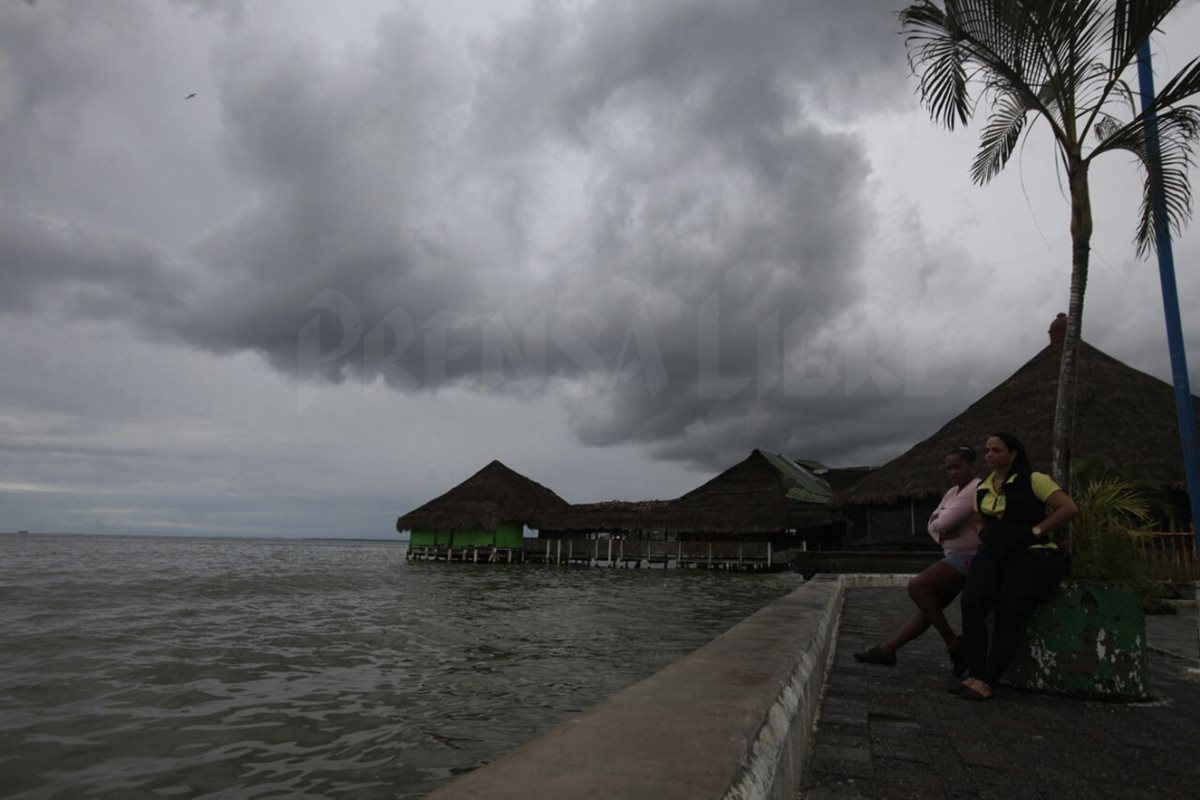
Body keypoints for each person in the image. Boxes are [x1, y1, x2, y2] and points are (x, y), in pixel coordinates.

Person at [955, 432, 1078, 701]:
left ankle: (988, 680)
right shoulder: (984, 487)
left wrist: (1037, 530)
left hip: (1030, 554)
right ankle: (974, 672)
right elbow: (979, 518)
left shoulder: (1034, 480)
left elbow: (1067, 508)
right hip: (995, 551)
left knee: (1009, 613)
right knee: (972, 603)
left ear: (1013, 453)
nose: (990, 455)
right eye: (987, 450)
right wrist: (984, 533)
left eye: (997, 450)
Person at [854, 445, 981, 674]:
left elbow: (944, 521)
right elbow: (933, 524)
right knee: (928, 609)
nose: (952, 472)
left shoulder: (976, 488)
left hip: (969, 557)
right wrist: (941, 527)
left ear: (972, 466)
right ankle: (887, 650)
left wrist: (942, 525)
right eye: (949, 468)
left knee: (918, 588)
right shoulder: (952, 493)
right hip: (952, 554)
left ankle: (953, 644)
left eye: (958, 467)